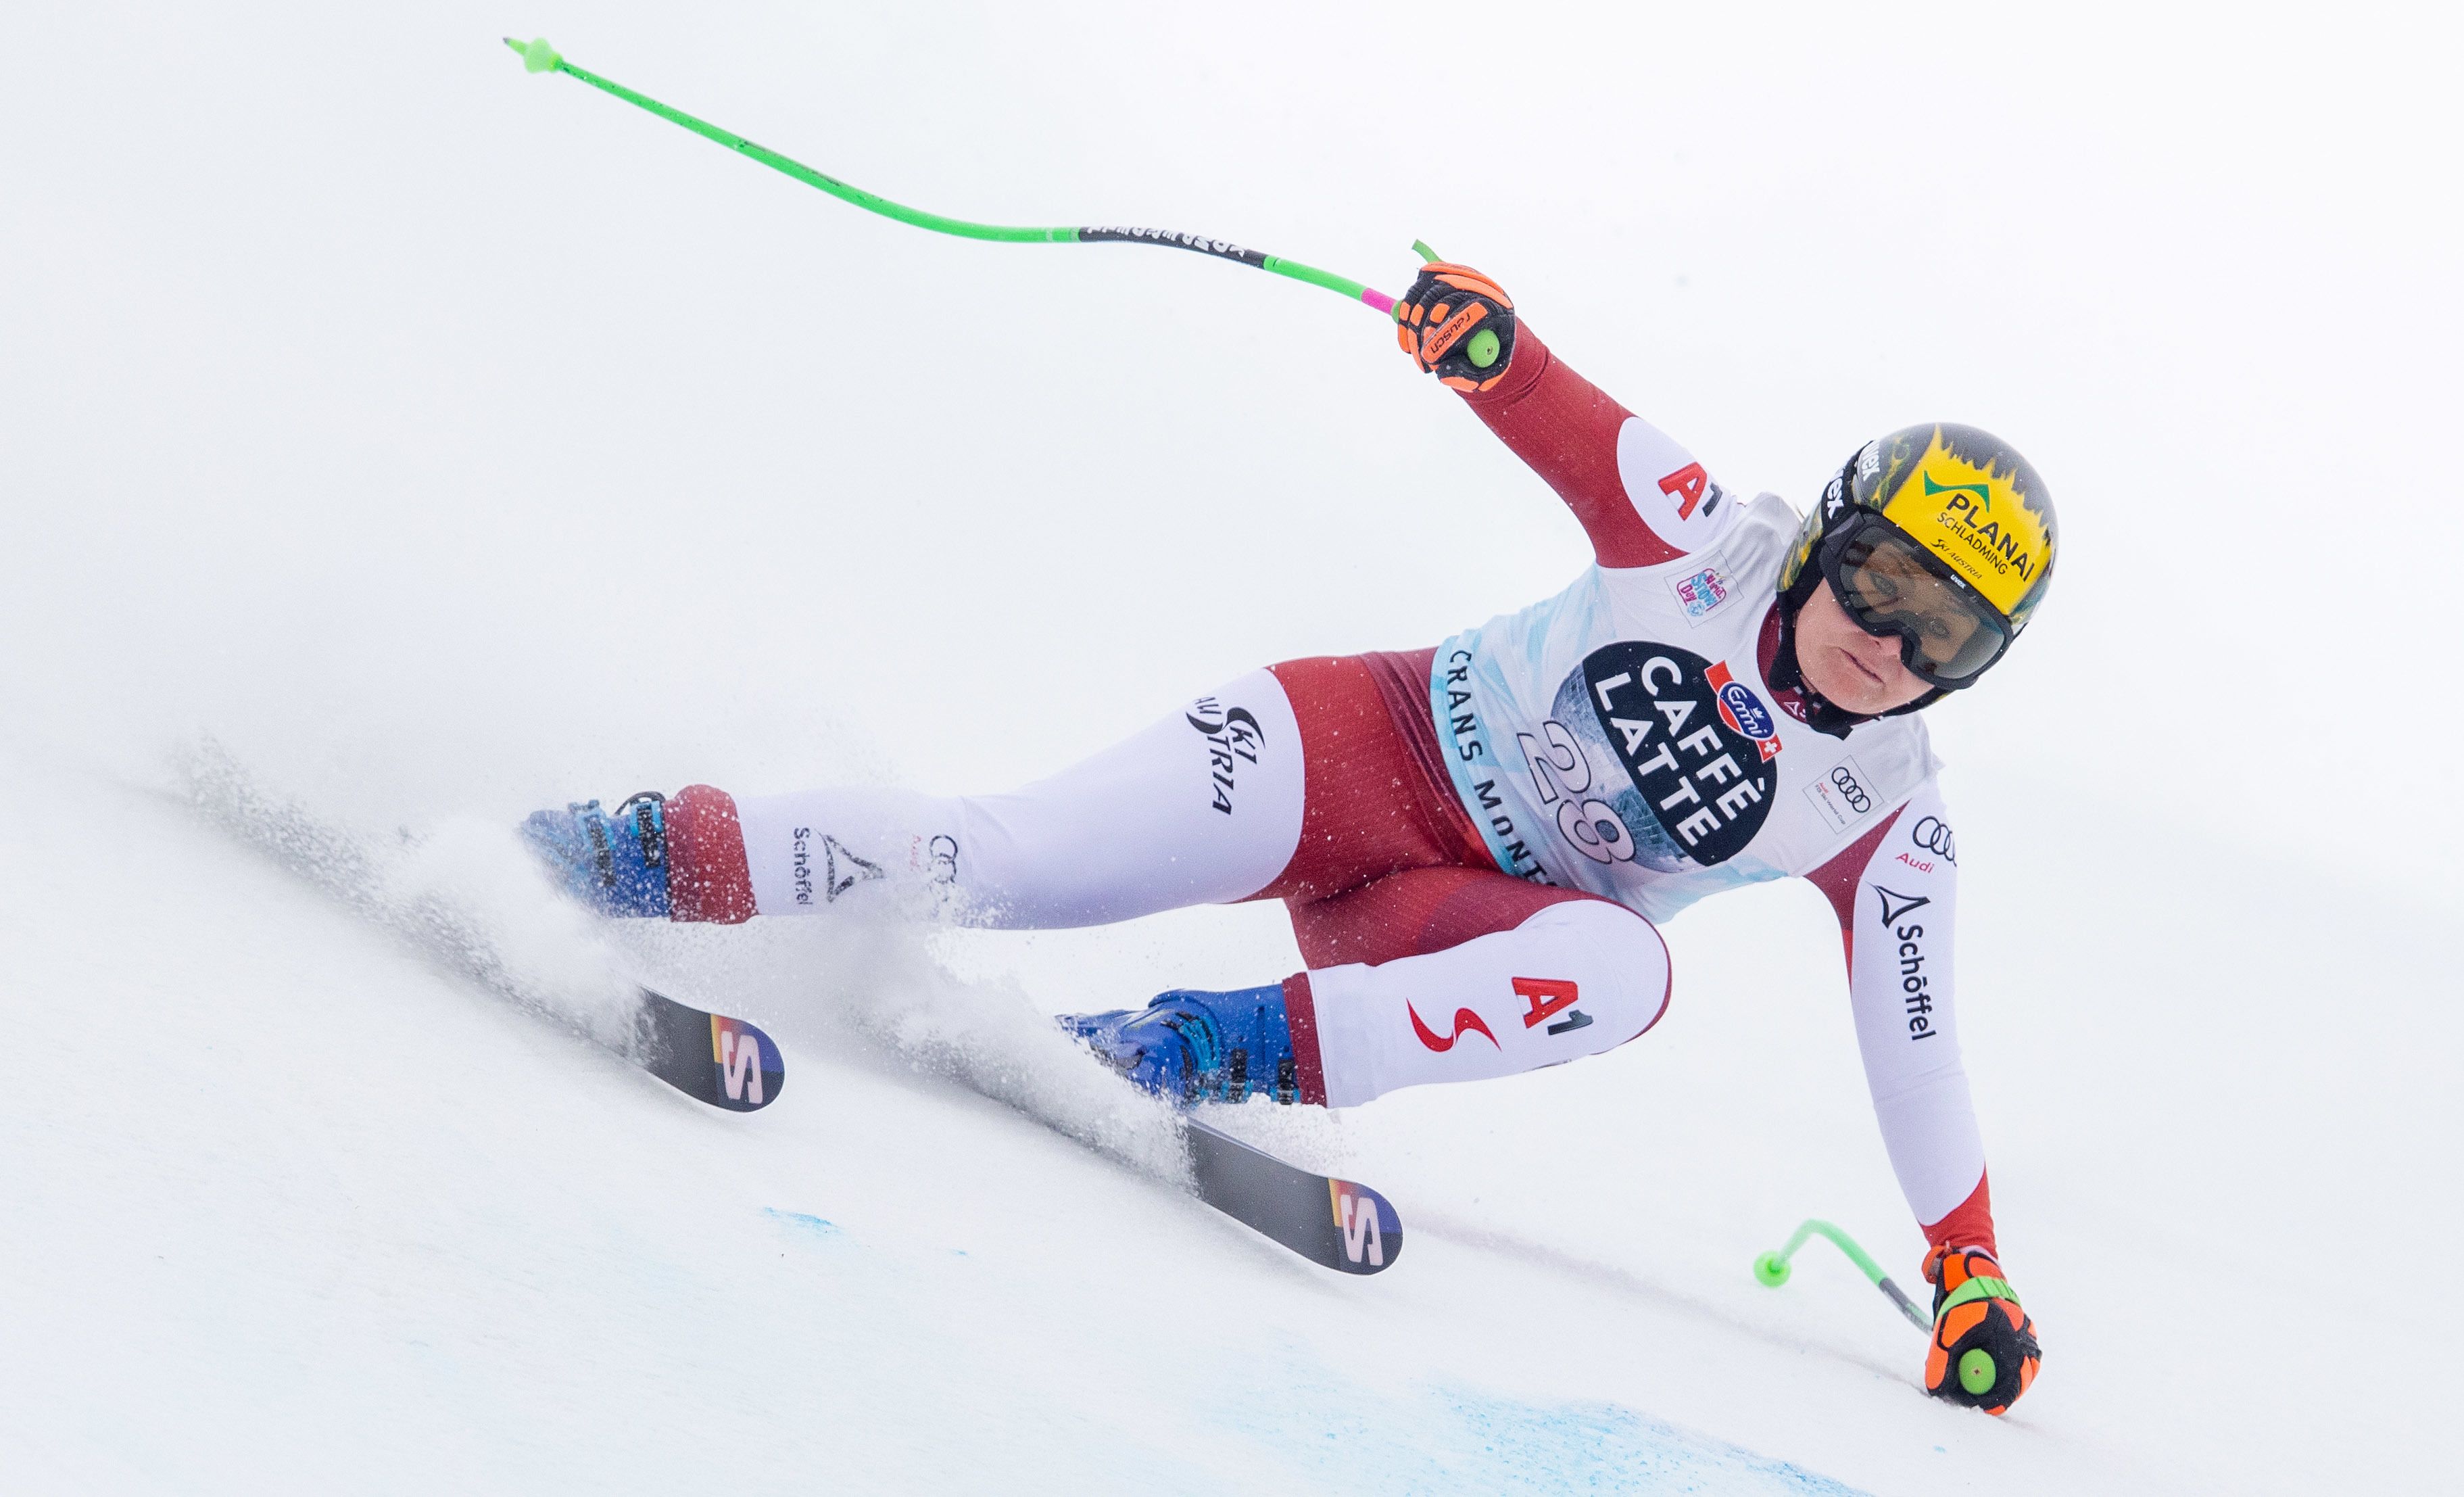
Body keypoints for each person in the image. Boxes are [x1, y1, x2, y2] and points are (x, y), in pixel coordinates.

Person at [523, 263, 2047, 1412]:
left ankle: (1179, 1052)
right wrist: (1480, 344)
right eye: (1874, 583)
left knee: (1625, 971)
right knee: (1003, 865)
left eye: (1943, 641)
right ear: (1820, 541)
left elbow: (1913, 1046)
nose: (1884, 647)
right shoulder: (1702, 536)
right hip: (1350, 752)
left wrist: (1963, 1266)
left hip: (1446, 912)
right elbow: (1549, 402)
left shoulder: (1889, 819)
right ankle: (630, 855)